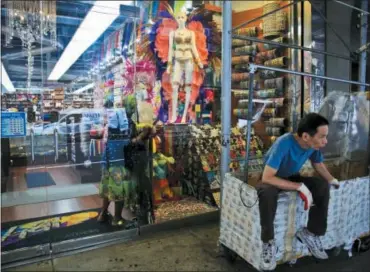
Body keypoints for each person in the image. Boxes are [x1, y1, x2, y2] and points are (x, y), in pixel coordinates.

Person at [257, 113, 340, 271]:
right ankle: (268, 242)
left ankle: (311, 233)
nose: (325, 141)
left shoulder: (312, 146)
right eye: (322, 136)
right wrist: (299, 187)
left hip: (291, 177)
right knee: (266, 194)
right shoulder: (284, 143)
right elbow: (267, 177)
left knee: (321, 186)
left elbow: (318, 164)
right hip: (273, 178)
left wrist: (331, 179)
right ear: (306, 136)